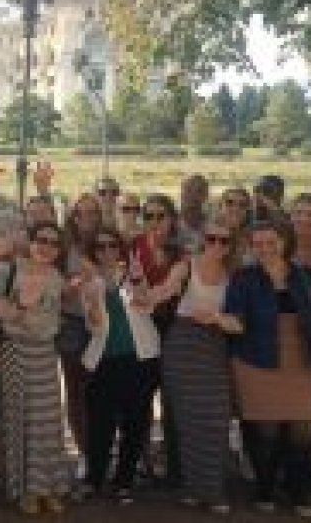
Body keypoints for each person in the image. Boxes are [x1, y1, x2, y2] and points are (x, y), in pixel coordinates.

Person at [217, 220, 311, 517]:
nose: (265, 249)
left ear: (285, 242)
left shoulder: (305, 275)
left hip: (302, 360)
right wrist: (214, 319)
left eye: (272, 242)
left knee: (305, 431)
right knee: (264, 434)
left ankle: (299, 490)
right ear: (251, 248)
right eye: (258, 244)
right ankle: (265, 488)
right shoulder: (243, 278)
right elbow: (236, 320)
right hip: (256, 360)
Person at [0, 222, 70, 514]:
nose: (46, 247)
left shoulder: (57, 278)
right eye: (41, 240)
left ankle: (47, 488)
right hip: (14, 352)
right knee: (17, 421)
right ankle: (24, 491)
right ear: (30, 241)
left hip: (45, 355)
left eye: (53, 242)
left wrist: (20, 313)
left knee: (47, 424)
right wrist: (19, 311)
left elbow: (52, 320)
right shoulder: (8, 271)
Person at [79, 227, 160, 505]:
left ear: (120, 248)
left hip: (141, 359)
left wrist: (135, 279)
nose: (106, 251)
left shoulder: (134, 273)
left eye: (112, 245)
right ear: (93, 252)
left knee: (135, 424)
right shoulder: (88, 282)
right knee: (100, 424)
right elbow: (94, 325)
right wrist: (92, 298)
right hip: (104, 360)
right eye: (100, 247)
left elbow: (146, 306)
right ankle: (94, 479)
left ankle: (123, 482)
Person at [161, 219, 237, 513]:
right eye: (211, 238)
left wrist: (217, 319)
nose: (217, 245)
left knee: (216, 417)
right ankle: (193, 489)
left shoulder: (235, 274)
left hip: (215, 345)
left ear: (231, 245)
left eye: (224, 241)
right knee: (187, 420)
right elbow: (167, 289)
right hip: (183, 343)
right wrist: (147, 294)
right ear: (203, 239)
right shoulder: (185, 266)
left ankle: (213, 490)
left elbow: (237, 319)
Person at [130, 193, 181, 485]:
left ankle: (175, 463)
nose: (154, 222)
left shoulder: (180, 252)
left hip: (173, 329)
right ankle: (143, 460)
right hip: (140, 328)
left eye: (160, 216)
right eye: (148, 216)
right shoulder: (133, 246)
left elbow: (173, 287)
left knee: (173, 397)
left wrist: (149, 297)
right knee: (142, 397)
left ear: (171, 219)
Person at [59, 194, 103, 458]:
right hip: (73, 323)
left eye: (93, 212)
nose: (87, 218)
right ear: (73, 217)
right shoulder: (65, 247)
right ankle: (85, 451)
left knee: (100, 388)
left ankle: (100, 448)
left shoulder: (107, 243)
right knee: (75, 390)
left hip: (101, 324)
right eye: (81, 213)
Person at [179, 175, 210, 252]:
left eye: (199, 191)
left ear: (206, 196)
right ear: (182, 194)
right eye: (189, 190)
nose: (193, 195)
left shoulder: (213, 224)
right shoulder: (168, 221)